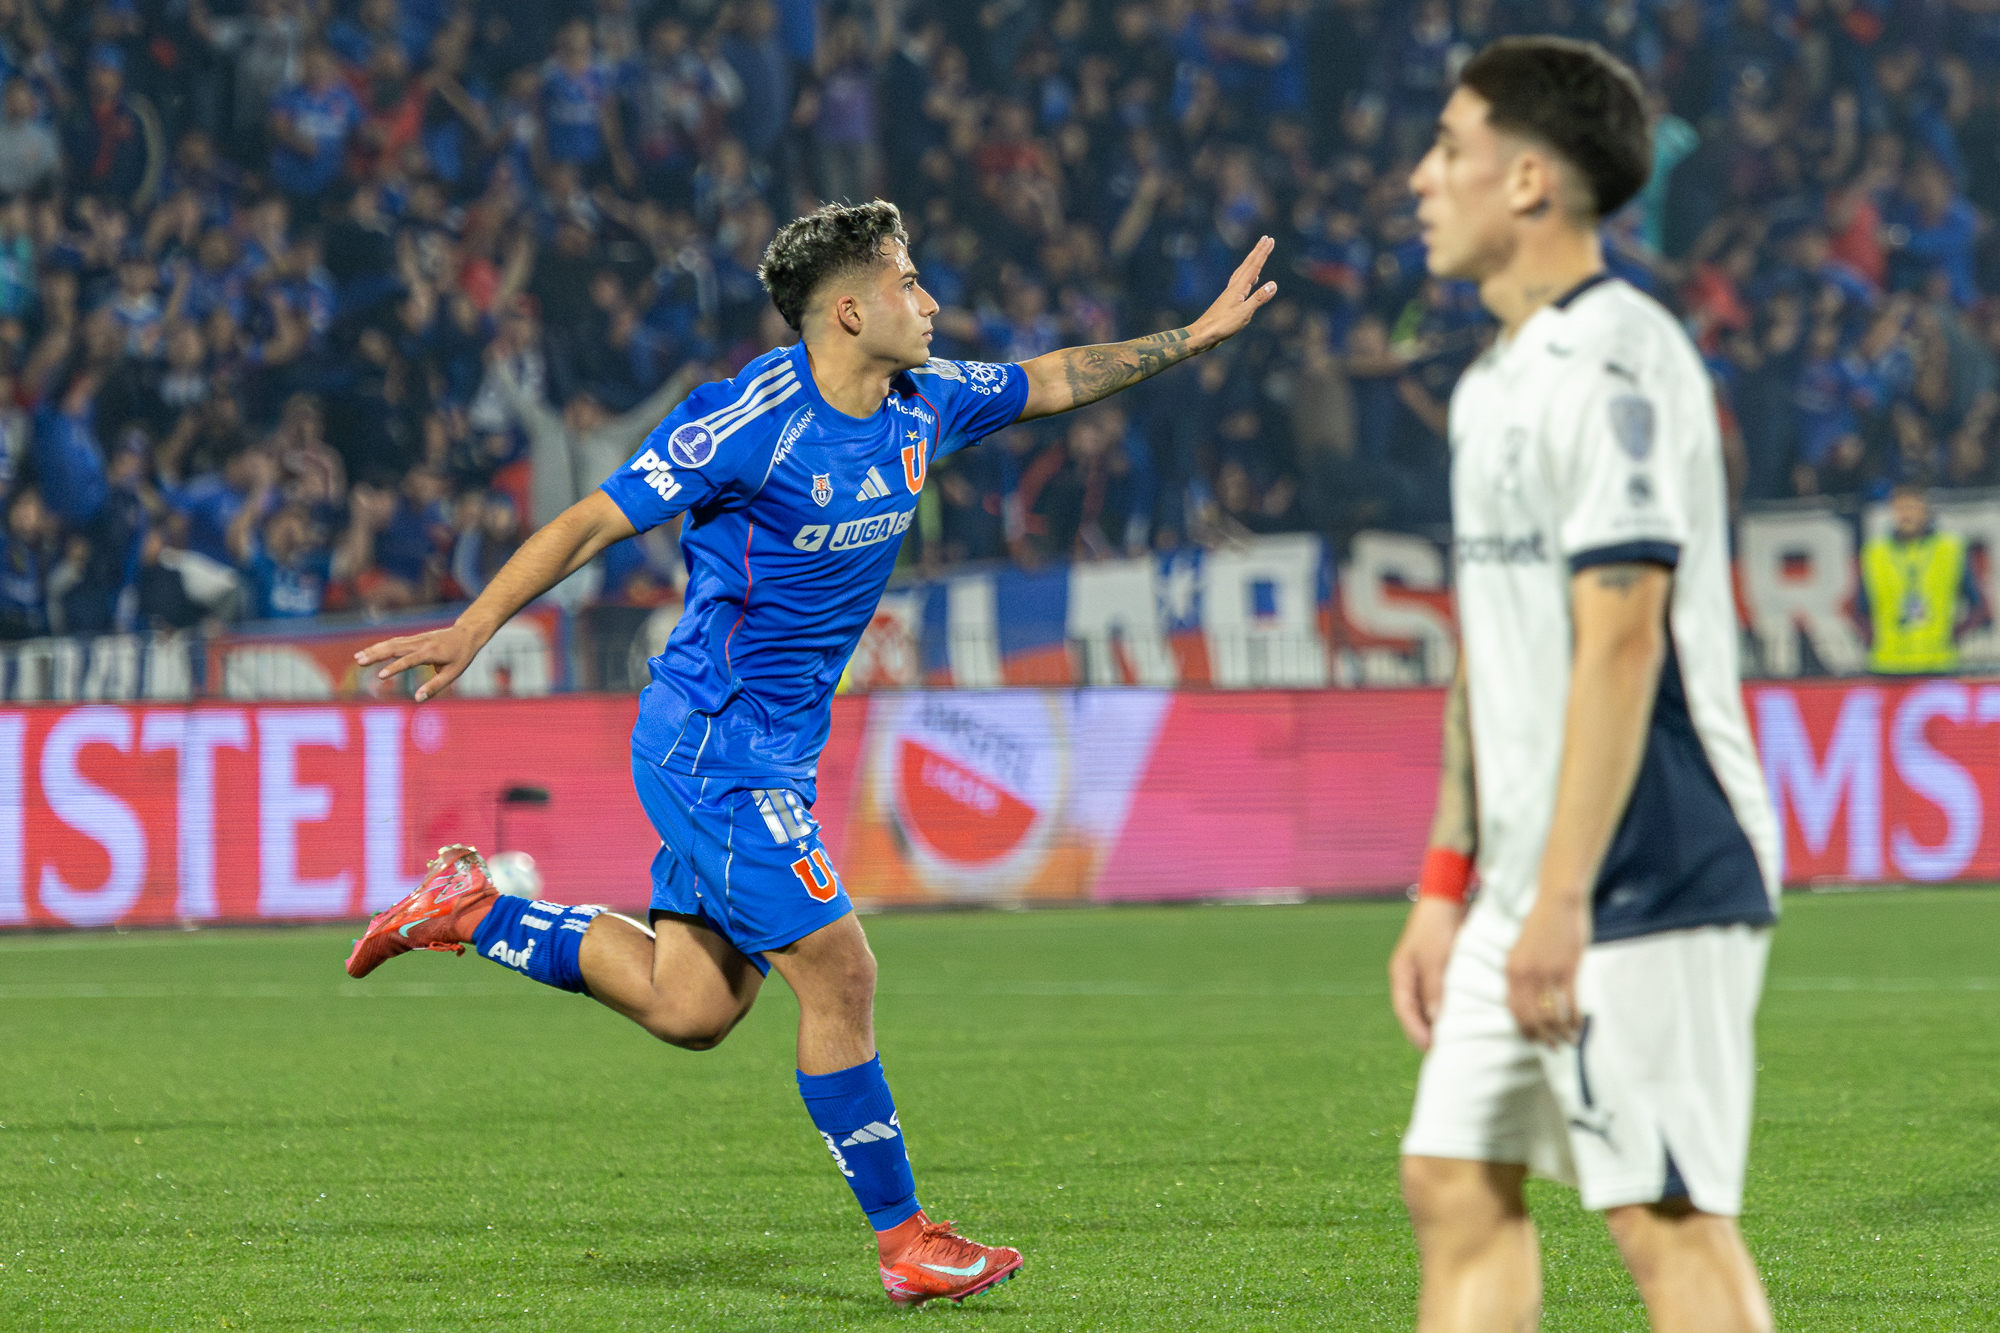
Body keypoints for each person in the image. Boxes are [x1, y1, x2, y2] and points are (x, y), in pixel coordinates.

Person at [343, 198, 1277, 1308]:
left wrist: (1193, 337)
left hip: (774, 753)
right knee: (841, 969)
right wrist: (473, 625)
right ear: (849, 312)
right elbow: (592, 520)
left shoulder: (926, 401)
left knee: (692, 1006)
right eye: (908, 283)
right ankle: (906, 1241)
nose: (931, 302)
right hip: (711, 742)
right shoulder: (745, 421)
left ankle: (472, 909)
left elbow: (1054, 377)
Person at [1385, 39, 1781, 1333]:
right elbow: (1491, 649)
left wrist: (1560, 898)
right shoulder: (1492, 382)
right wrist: (1447, 882)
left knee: (1664, 1223)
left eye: (1449, 147)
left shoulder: (1618, 360)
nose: (1420, 177)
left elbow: (1623, 641)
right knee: (1453, 1180)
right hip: (1528, 878)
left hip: (1646, 863)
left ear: (1529, 181)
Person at [1857, 485, 1984, 674]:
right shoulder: (1875, 553)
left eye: (1912, 507)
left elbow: (1978, 605)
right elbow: (1860, 608)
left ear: (1926, 511)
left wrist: (1953, 636)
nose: (1906, 514)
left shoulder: (1951, 549)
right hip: (1887, 665)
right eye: (1900, 508)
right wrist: (1872, 639)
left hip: (1939, 663)